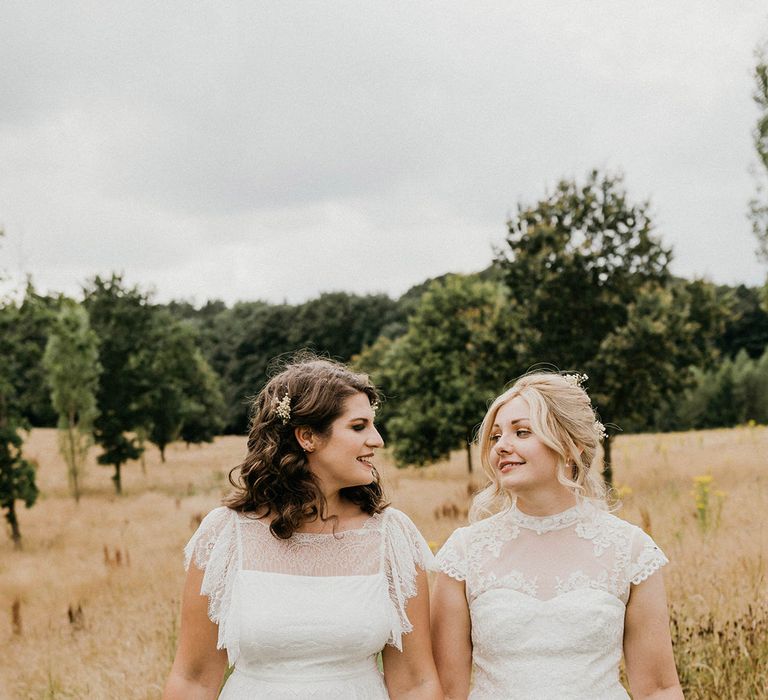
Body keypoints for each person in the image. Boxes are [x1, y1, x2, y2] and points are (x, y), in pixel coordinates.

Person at [163, 356, 442, 700]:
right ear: (307, 436)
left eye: (373, 424)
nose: (378, 440)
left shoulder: (392, 535)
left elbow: (415, 683)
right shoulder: (225, 535)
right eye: (359, 426)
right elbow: (193, 679)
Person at [431, 372, 683, 700]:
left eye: (521, 432)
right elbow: (448, 693)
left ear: (569, 446)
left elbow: (658, 689)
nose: (502, 446)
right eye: (495, 437)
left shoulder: (630, 550)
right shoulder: (464, 553)